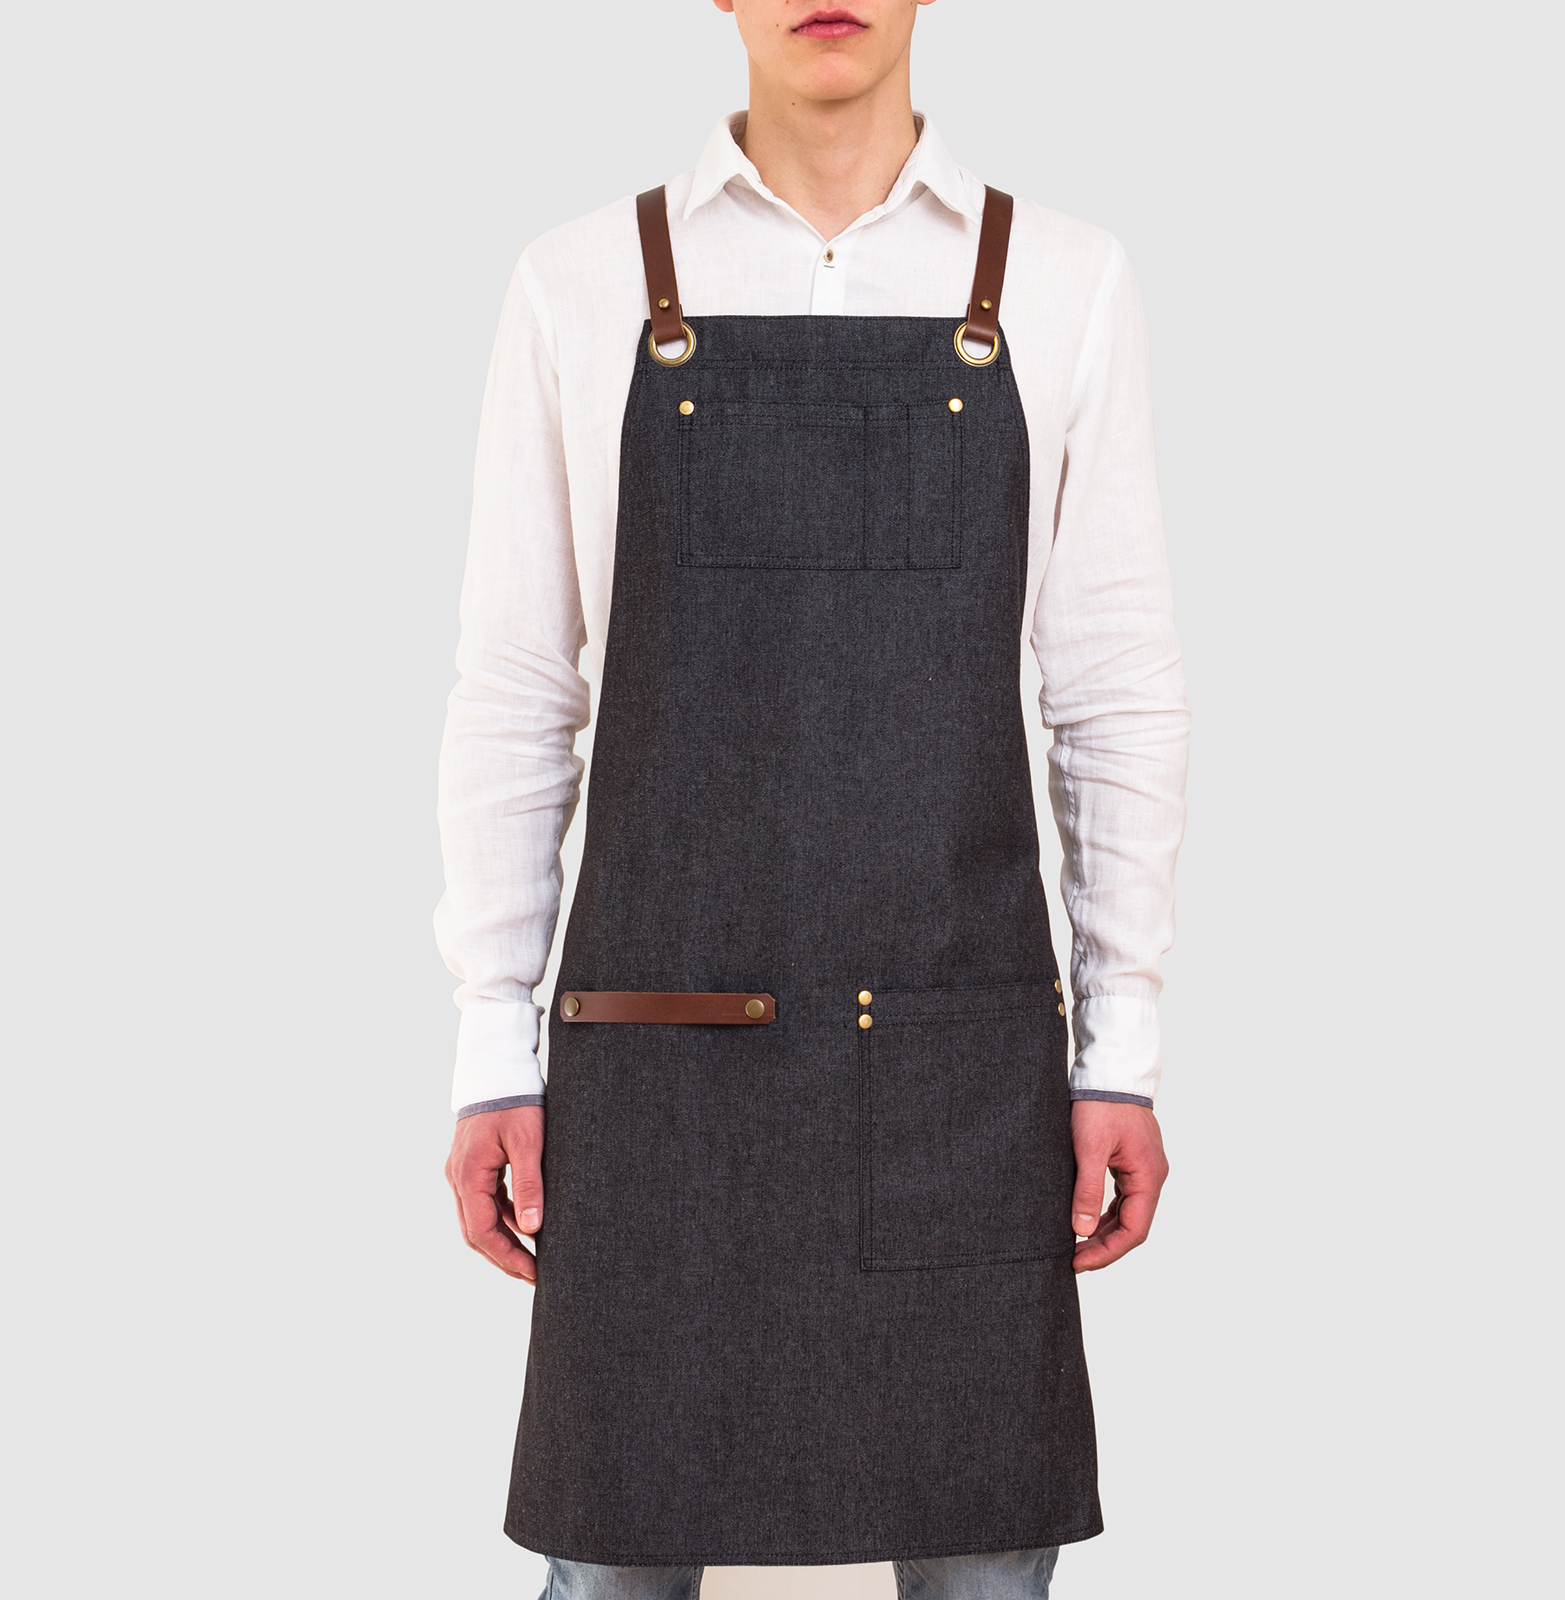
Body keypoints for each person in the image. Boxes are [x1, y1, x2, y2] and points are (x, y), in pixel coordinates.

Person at [437, 3, 1188, 1596]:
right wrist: (490, 1038)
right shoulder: (581, 281)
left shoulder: (1063, 280)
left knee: (984, 1570)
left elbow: (1113, 694)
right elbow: (516, 690)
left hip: (955, 1076)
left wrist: (1120, 1040)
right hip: (657, 1082)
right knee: (609, 1569)